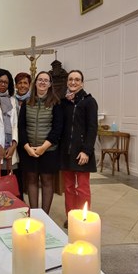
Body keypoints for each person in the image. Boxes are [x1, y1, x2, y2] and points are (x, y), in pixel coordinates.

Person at [18, 71, 63, 214]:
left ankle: (45, 216)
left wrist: (44, 147)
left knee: (47, 182)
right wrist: (27, 147)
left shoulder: (56, 103)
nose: (43, 82)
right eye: (40, 80)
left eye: (46, 80)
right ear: (35, 83)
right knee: (31, 181)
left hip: (48, 150)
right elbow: (21, 127)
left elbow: (57, 128)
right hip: (29, 150)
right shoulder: (26, 103)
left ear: (50, 84)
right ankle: (34, 214)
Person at [60, 70, 98, 228]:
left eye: (77, 79)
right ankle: (71, 217)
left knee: (82, 188)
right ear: (67, 82)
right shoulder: (64, 102)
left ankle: (83, 218)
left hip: (82, 151)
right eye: (70, 79)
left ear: (82, 82)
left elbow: (92, 128)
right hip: (65, 152)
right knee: (68, 188)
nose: (73, 82)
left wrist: (86, 151)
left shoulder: (89, 101)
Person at [14, 72, 32, 198]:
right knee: (16, 171)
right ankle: (18, 197)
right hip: (14, 139)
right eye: (19, 83)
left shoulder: (33, 99)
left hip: (28, 140)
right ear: (15, 85)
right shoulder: (10, 98)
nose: (22, 85)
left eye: (25, 83)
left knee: (28, 172)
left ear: (29, 85)